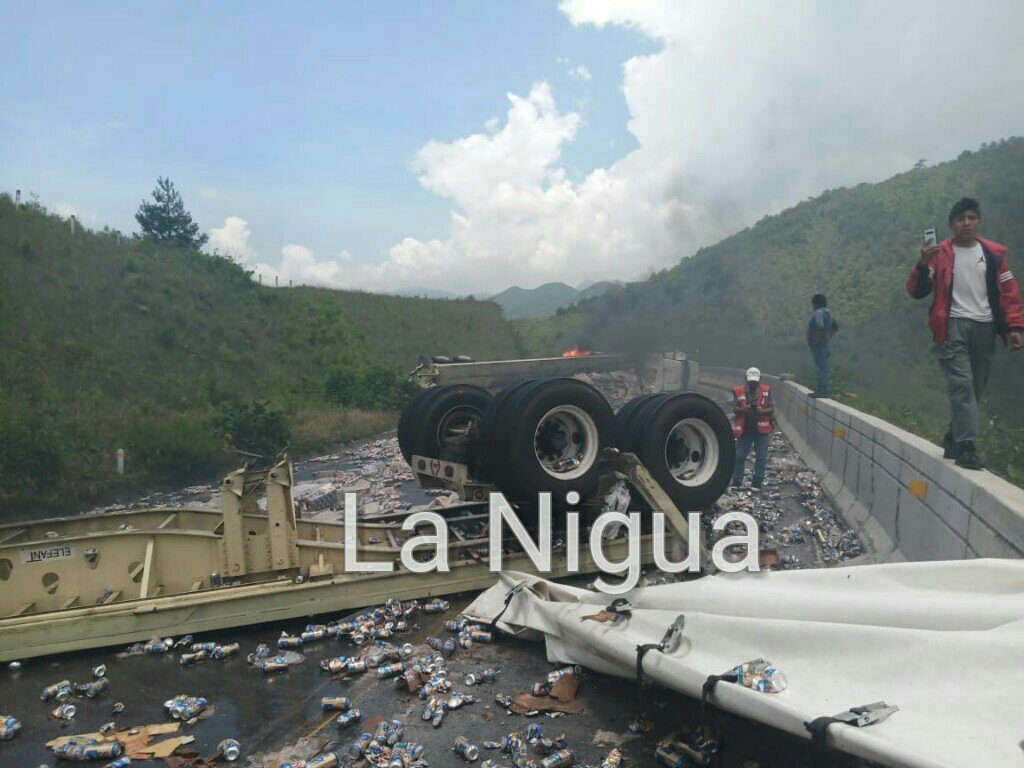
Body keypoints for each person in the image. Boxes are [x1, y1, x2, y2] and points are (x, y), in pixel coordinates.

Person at [907, 197, 1023, 470]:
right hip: (952, 327)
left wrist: (1015, 327)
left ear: (978, 221)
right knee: (962, 386)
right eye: (961, 219)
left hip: (986, 327)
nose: (967, 223)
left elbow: (1009, 293)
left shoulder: (993, 255)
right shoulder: (941, 254)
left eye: (971, 218)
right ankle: (967, 446)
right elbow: (917, 290)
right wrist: (923, 264)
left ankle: (953, 436)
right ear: (952, 225)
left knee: (975, 389)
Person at [730, 367, 773, 491]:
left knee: (761, 457)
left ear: (759, 380)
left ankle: (757, 483)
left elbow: (771, 408)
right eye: (751, 382)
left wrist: (760, 411)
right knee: (739, 456)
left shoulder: (766, 390)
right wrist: (746, 409)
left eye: (755, 382)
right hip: (745, 430)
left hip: (761, 430)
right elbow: (735, 408)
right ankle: (737, 482)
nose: (753, 384)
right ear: (747, 380)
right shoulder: (738, 391)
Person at [806, 294, 839, 397]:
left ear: (815, 304)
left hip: (819, 346)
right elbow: (835, 328)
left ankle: (822, 391)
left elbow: (819, 326)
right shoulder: (829, 313)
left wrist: (818, 341)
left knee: (821, 368)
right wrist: (827, 338)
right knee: (824, 367)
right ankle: (822, 390)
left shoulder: (818, 313)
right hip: (825, 345)